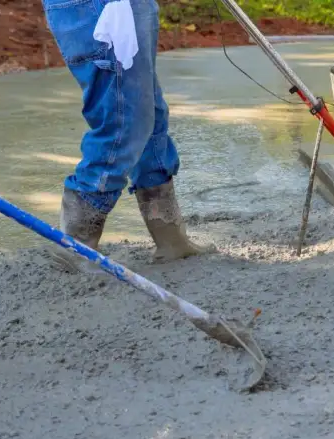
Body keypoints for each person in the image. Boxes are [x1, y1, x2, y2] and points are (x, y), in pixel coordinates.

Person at [40, 0, 214, 272]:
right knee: (124, 116)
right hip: (101, 6)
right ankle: (76, 243)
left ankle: (170, 238)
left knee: (149, 111)